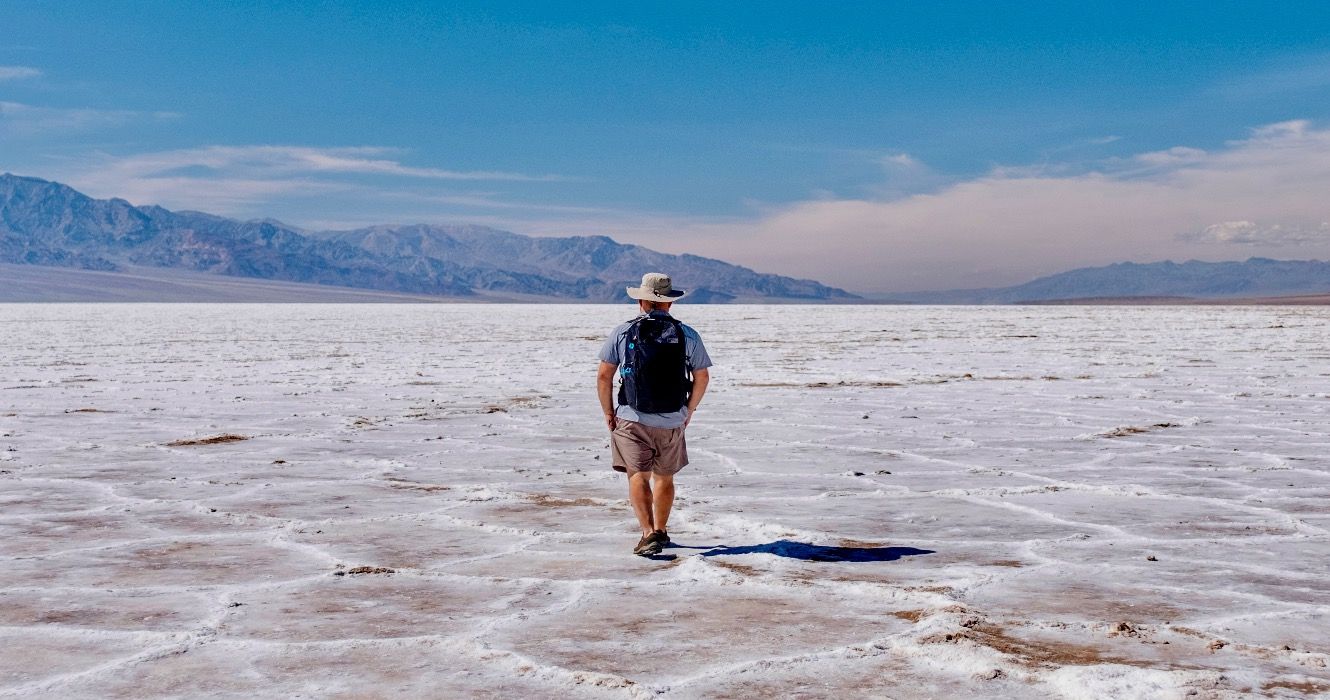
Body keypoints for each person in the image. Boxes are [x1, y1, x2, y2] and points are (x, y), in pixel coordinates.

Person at [597, 273, 712, 556]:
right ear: (669, 304)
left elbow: (604, 376)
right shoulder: (687, 334)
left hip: (631, 418)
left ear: (641, 300)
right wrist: (688, 410)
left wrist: (609, 412)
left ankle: (648, 534)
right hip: (672, 418)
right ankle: (661, 530)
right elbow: (702, 376)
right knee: (665, 477)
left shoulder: (623, 332)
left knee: (637, 475)